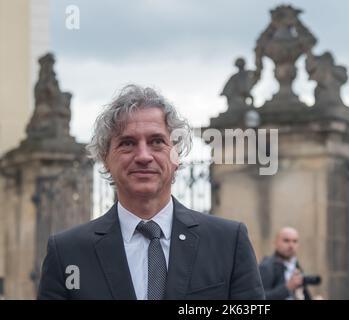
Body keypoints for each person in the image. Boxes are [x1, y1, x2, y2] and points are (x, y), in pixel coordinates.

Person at [37, 84, 264, 300]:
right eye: (127, 143)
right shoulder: (67, 253)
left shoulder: (228, 242)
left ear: (176, 155)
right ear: (105, 158)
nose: (144, 156)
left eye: (157, 141)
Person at [259, 227, 312, 300]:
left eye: (295, 241)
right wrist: (287, 288)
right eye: (286, 240)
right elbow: (259, 297)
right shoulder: (266, 266)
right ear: (275, 242)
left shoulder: (296, 266)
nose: (291, 245)